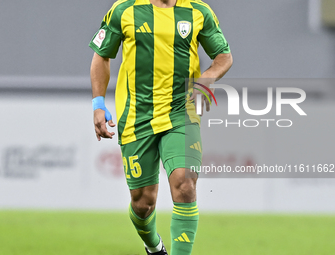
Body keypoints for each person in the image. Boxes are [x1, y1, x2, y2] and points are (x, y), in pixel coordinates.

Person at [89, 0, 232, 254]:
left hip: (181, 112)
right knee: (143, 203)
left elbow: (224, 56)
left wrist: (206, 79)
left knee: (185, 184)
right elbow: (101, 56)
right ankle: (153, 246)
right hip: (137, 116)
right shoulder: (124, 10)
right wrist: (98, 104)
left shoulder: (199, 11)